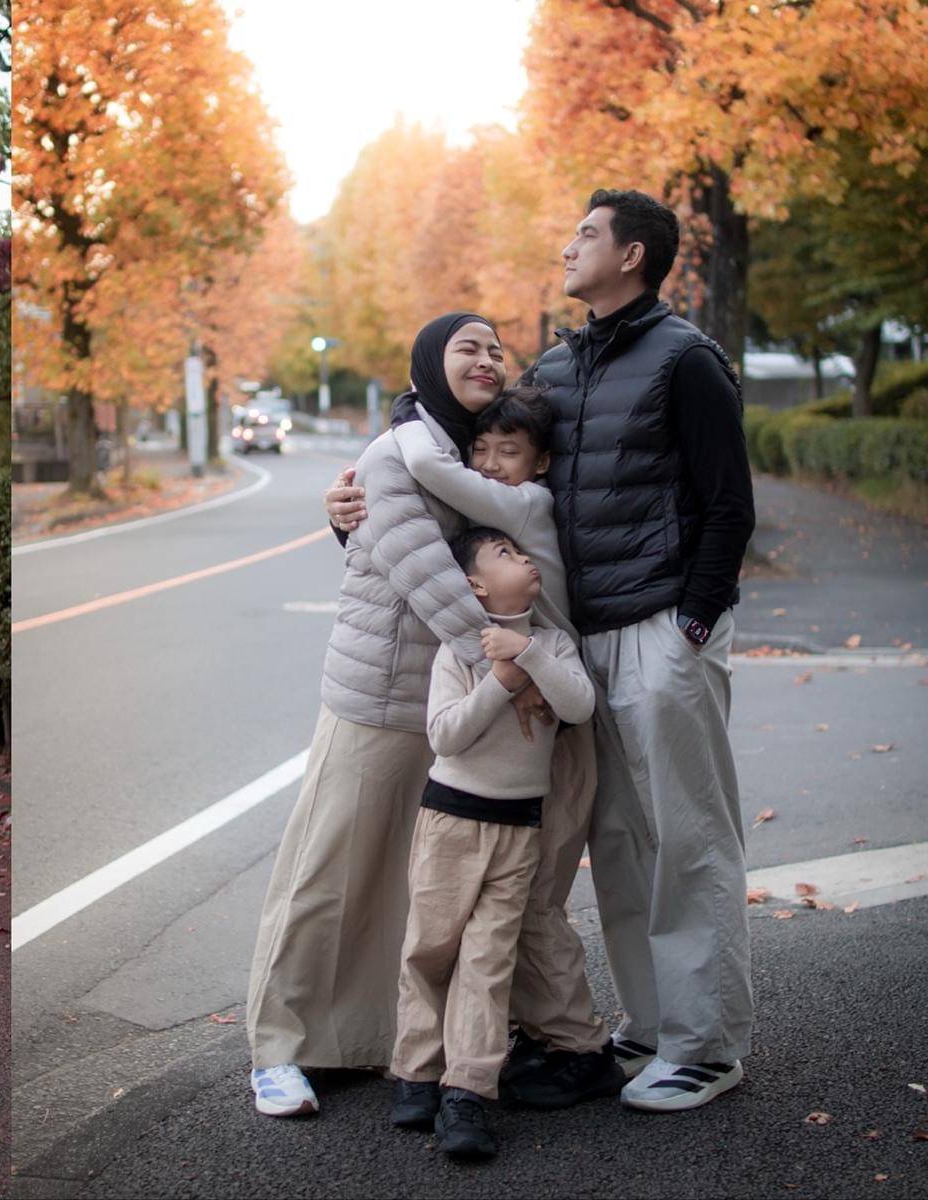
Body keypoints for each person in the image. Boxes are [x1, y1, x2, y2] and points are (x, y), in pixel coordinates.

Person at [327, 187, 756, 1114]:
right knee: (620, 842)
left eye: (586, 235)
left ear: (632, 255)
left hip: (660, 626)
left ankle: (707, 1044)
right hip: (582, 639)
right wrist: (351, 503)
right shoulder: (559, 366)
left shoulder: (684, 359)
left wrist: (693, 623)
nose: (567, 247)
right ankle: (650, 1026)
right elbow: (475, 445)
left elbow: (730, 501)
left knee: (687, 834)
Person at [247, 312, 509, 1117]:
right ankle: (277, 1049)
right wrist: (515, 665)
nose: (488, 360)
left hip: (451, 703)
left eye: (497, 350)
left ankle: (369, 1037)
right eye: (468, 348)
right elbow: (428, 575)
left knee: (412, 882)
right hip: (381, 694)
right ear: (428, 362)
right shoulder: (396, 453)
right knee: (326, 873)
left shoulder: (477, 455)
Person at [392, 390, 623, 1108]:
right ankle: (513, 1039)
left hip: (556, 732)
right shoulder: (488, 524)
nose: (490, 465)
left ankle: (577, 1045)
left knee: (534, 905)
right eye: (481, 450)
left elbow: (431, 473)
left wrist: (406, 420)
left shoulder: (521, 508)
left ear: (540, 462)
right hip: (505, 737)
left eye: (509, 452)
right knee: (499, 918)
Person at [389, 527, 596, 1158]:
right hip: (451, 822)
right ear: (475, 583)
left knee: (488, 961)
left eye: (522, 550)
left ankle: (468, 1092)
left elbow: (579, 707)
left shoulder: (552, 643)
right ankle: (417, 1072)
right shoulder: (459, 650)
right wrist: (501, 680)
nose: (525, 558)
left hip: (519, 830)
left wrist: (528, 654)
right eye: (505, 554)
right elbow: (445, 736)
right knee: (430, 950)